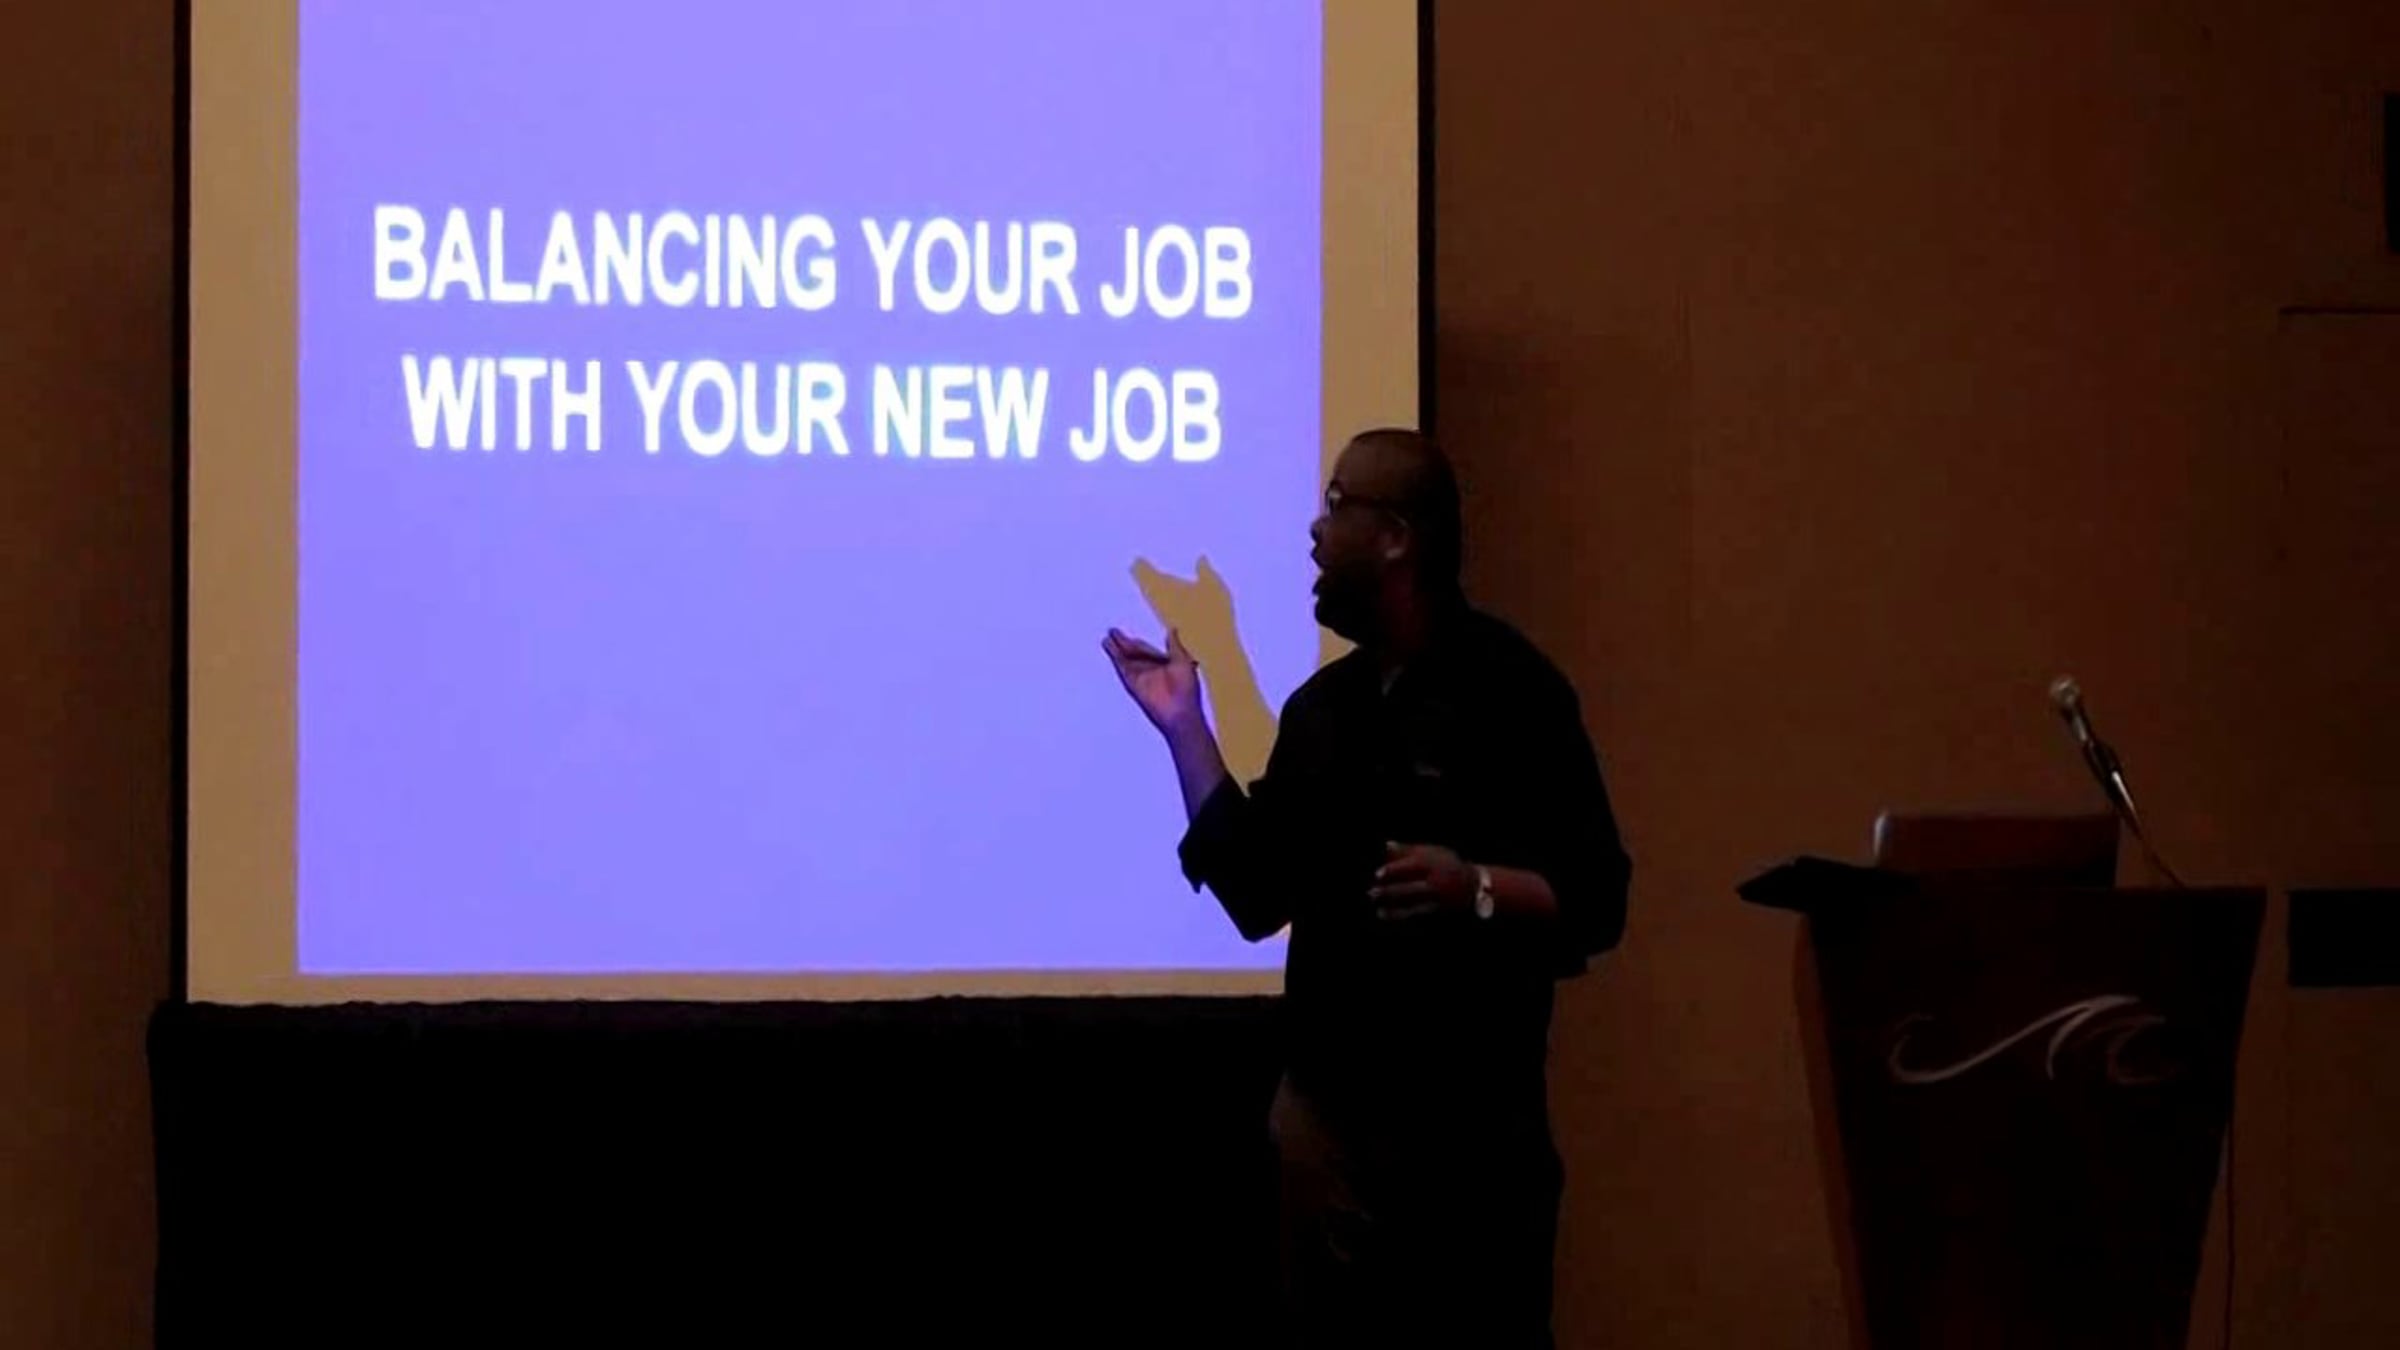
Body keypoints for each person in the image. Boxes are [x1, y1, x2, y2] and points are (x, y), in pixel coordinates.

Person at [1102, 427, 1631, 1348]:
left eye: (1337, 506)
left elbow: (1598, 899)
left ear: (1395, 538)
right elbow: (1256, 892)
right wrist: (1185, 728)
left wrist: (1475, 887)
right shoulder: (1323, 712)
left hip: (1475, 1154)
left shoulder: (1514, 693)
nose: (1314, 531)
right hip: (1330, 1143)